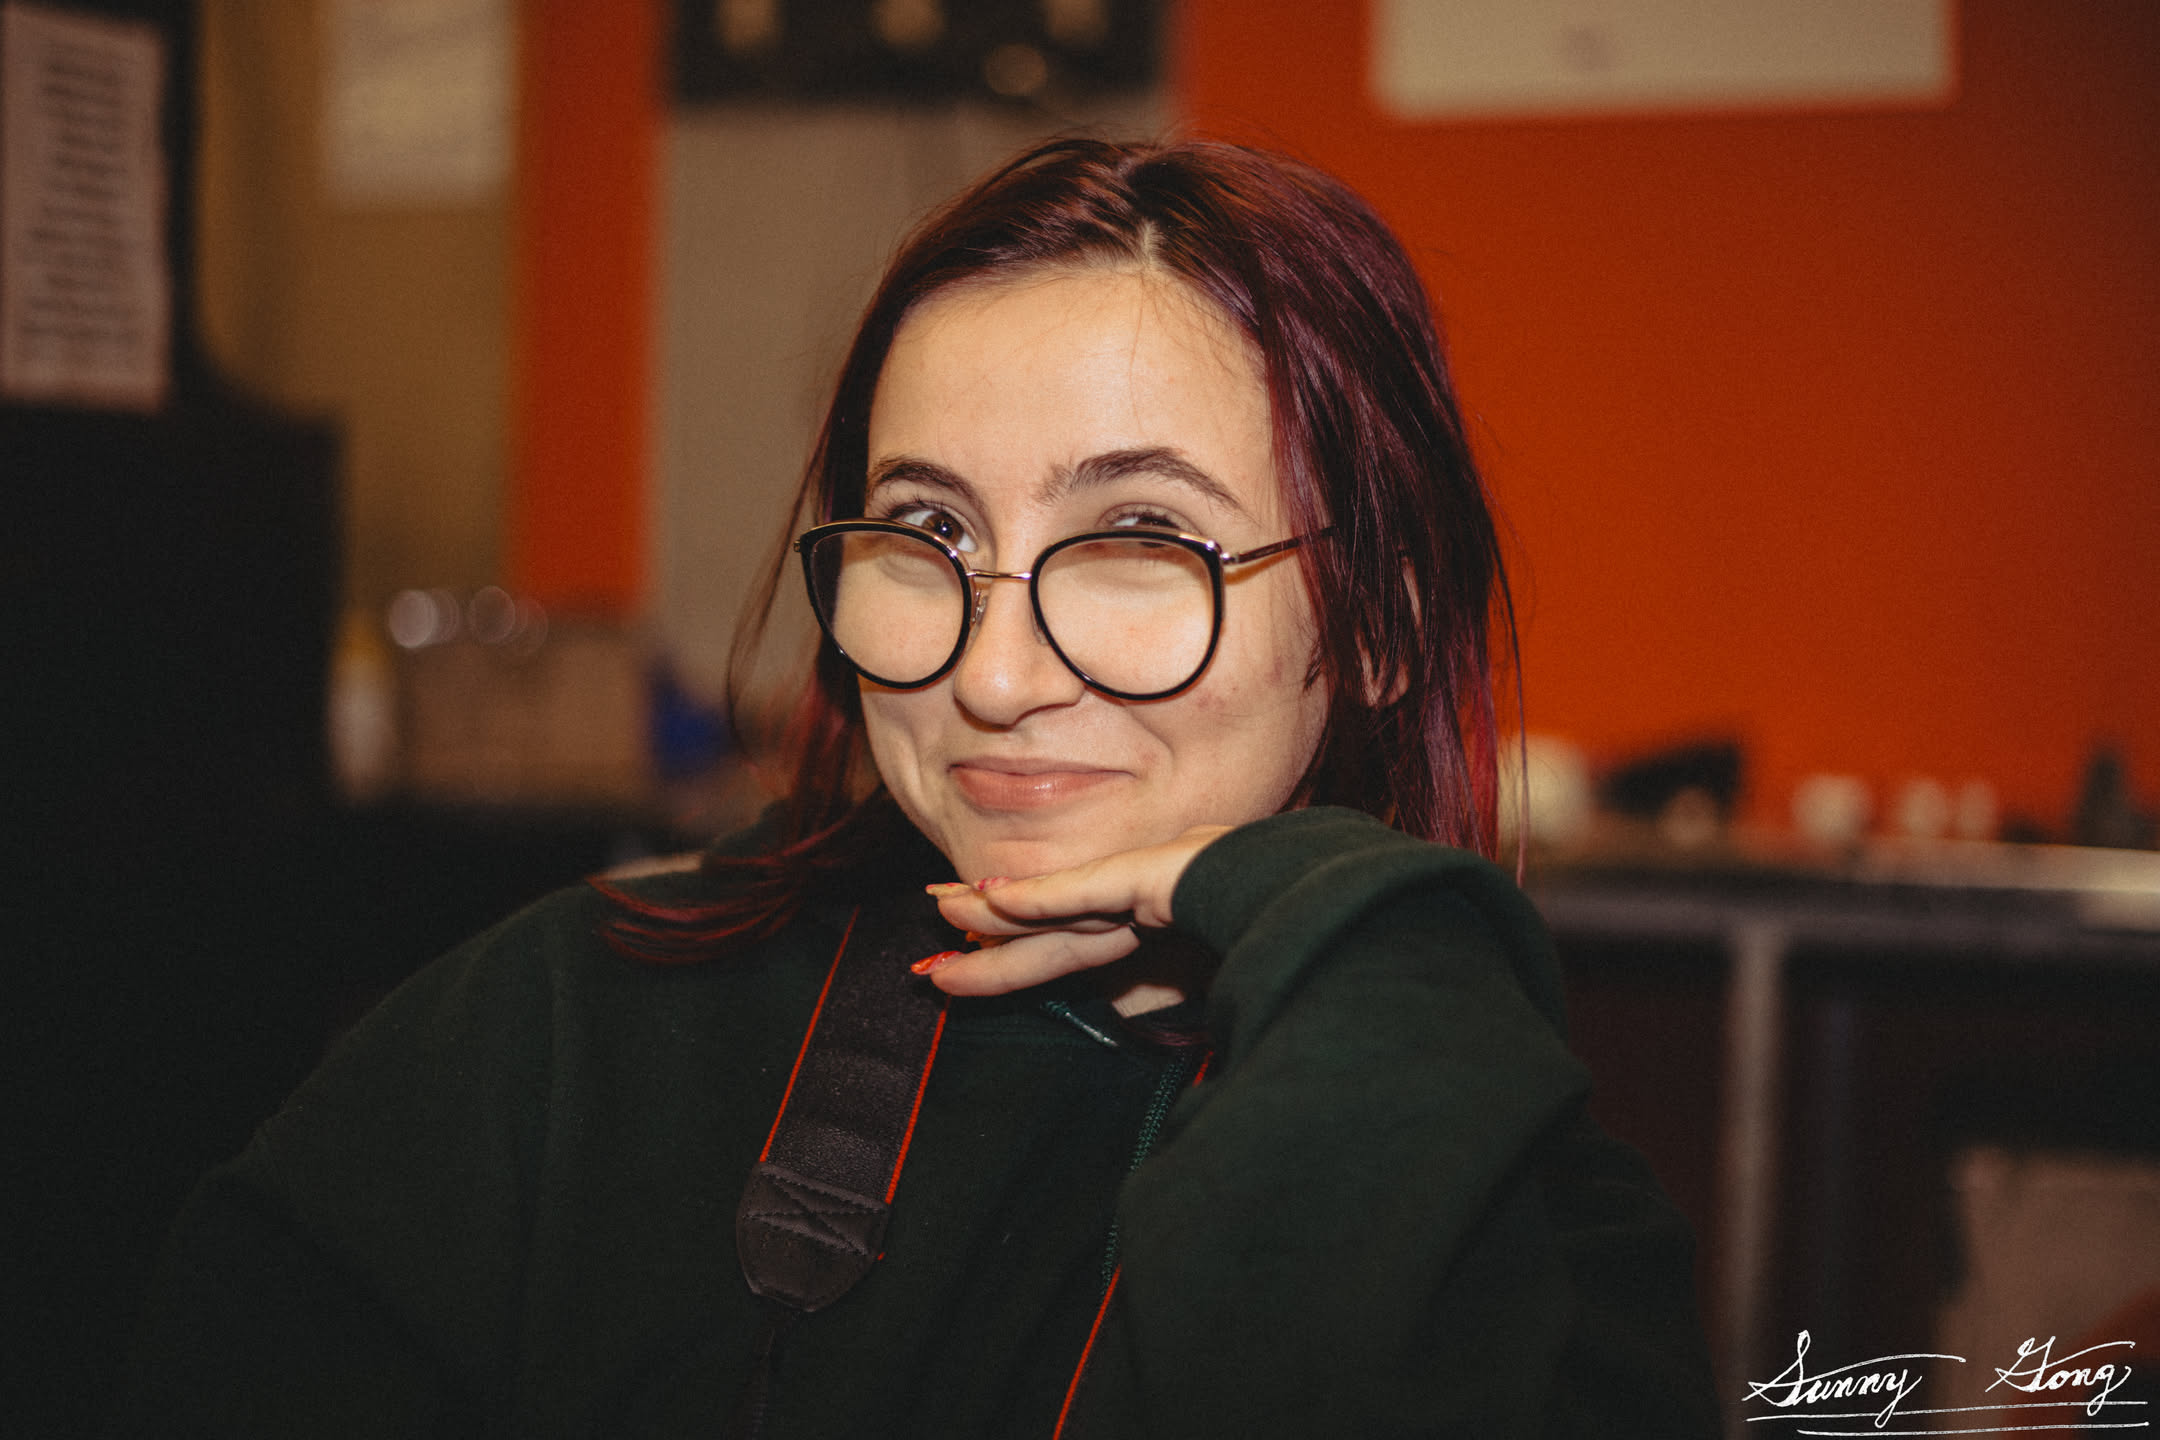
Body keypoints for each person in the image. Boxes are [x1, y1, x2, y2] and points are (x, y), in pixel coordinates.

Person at [118, 138, 1718, 1438]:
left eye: (1138, 537)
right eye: (929, 533)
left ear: (1380, 621)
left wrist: (1369, 948)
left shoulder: (1523, 1207)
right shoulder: (567, 1043)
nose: (995, 676)